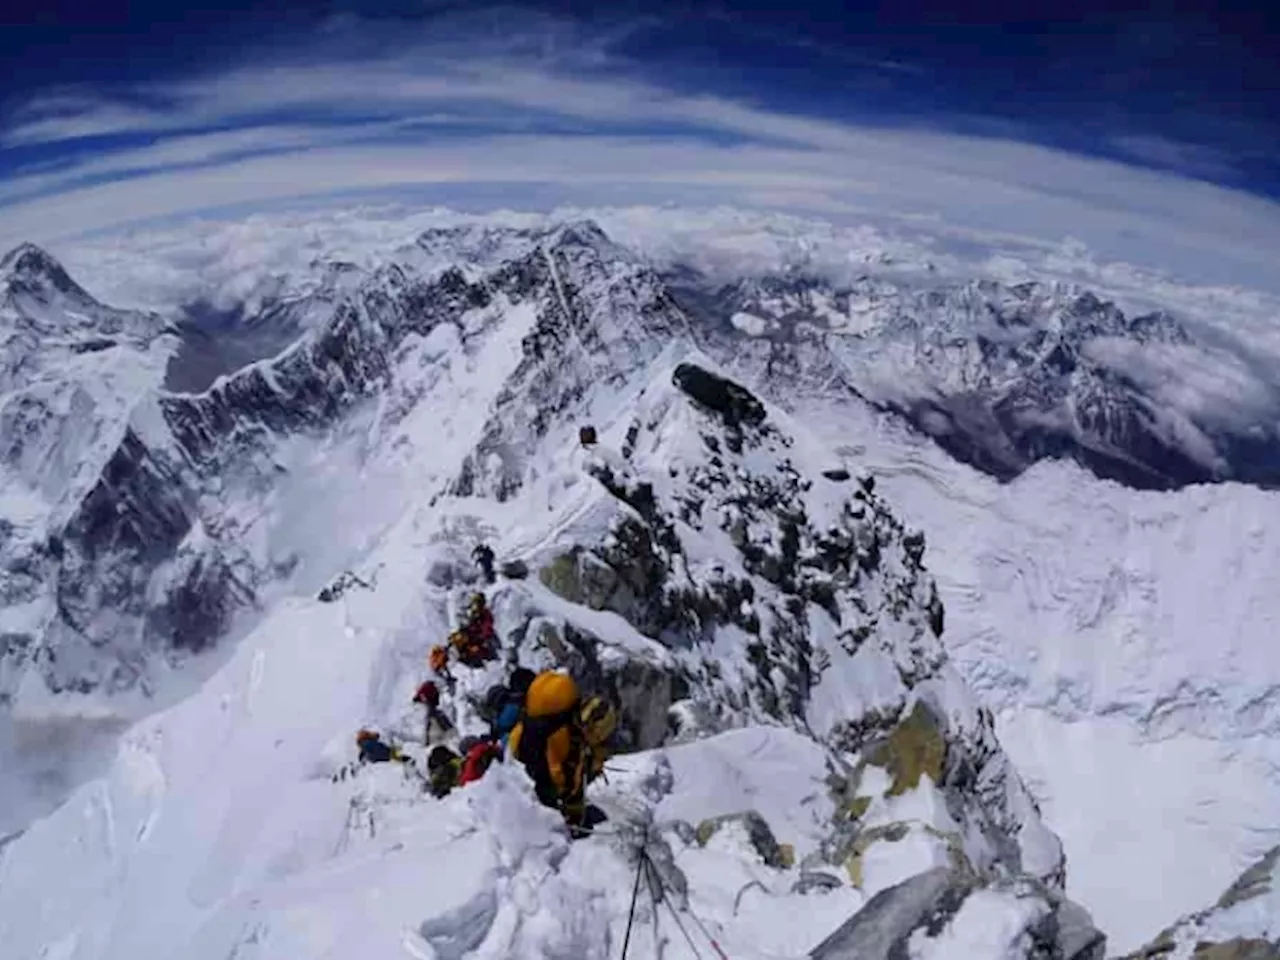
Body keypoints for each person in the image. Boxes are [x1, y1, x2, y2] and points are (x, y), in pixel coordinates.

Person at [506, 671, 619, 837]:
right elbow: (565, 781)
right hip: (530, 765)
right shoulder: (568, 739)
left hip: (520, 744)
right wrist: (575, 818)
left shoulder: (559, 714)